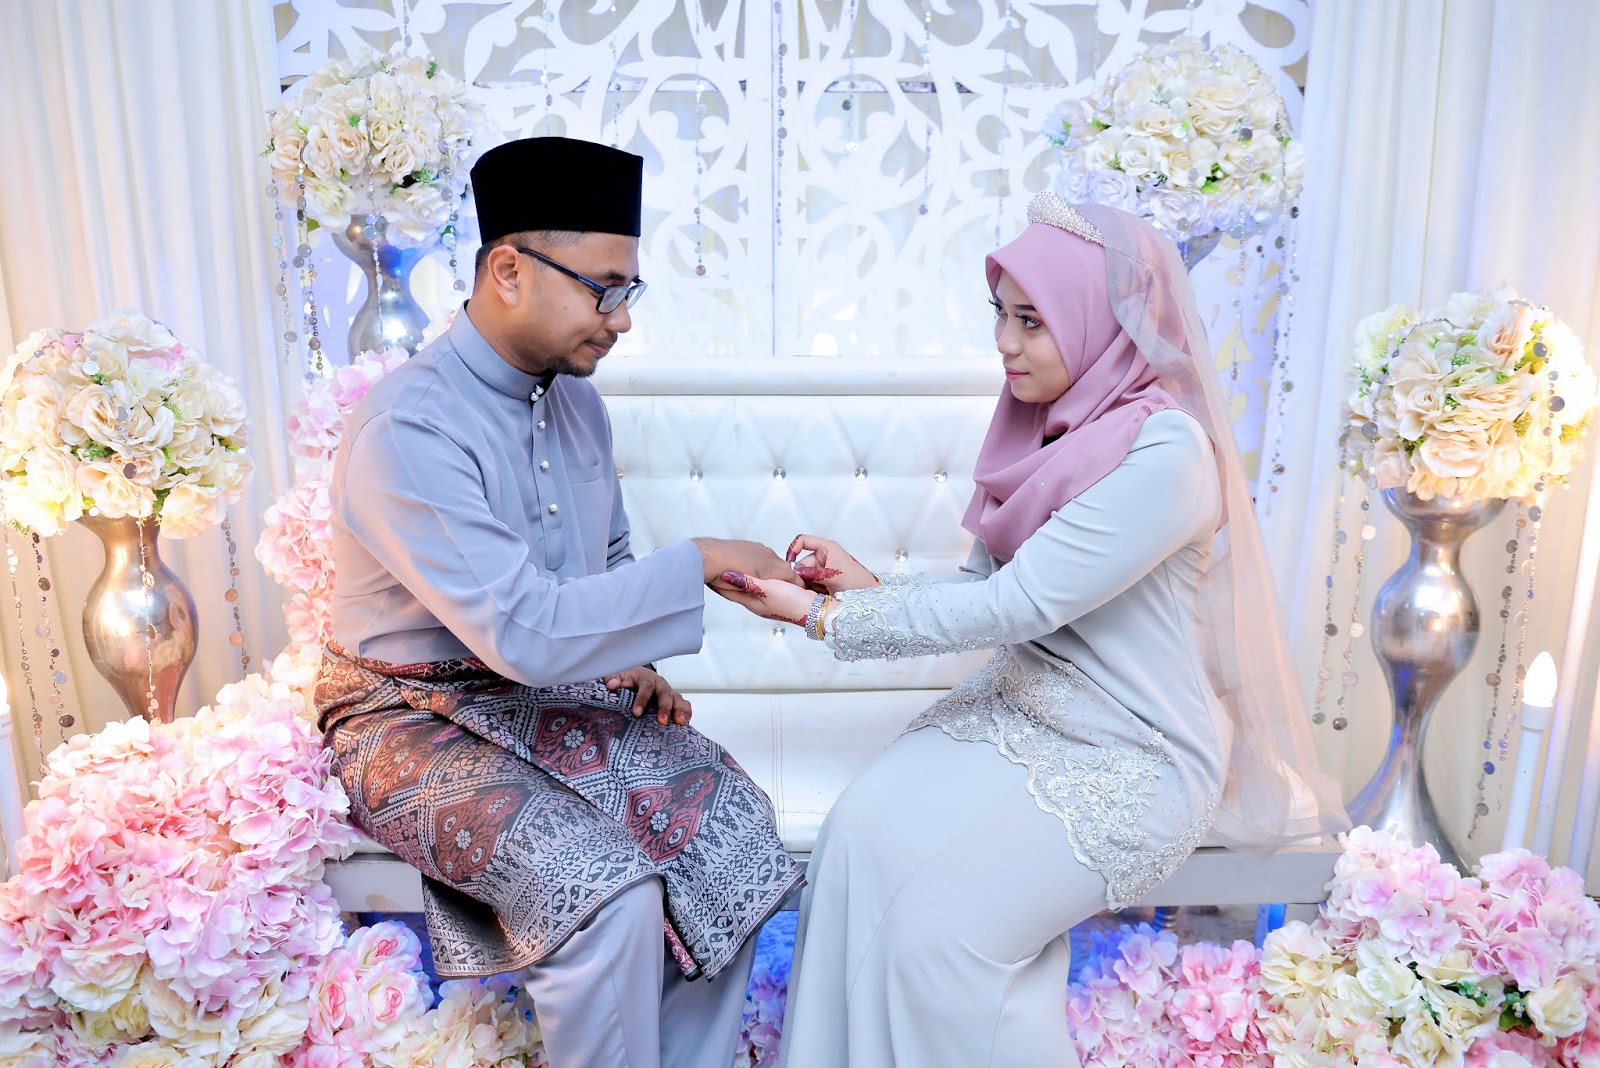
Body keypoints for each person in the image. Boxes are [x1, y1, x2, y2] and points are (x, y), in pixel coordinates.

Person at [713, 193, 1350, 1066]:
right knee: (855, 843)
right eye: (1001, 314)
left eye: (1032, 321)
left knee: (941, 939)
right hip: (1020, 712)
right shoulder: (1043, 423)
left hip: (1135, 753)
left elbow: (1020, 605)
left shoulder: (1166, 455)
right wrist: (864, 588)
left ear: (1100, 322)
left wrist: (825, 618)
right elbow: (988, 584)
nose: (1005, 343)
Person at [316, 135, 804, 1068]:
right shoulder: (409, 428)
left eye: (629, 289)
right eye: (603, 288)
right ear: (509, 270)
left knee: (728, 823)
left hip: (538, 692)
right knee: (603, 890)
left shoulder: (577, 402)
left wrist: (632, 659)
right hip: (401, 715)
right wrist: (698, 559)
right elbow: (524, 629)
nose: (622, 318)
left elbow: (603, 554)